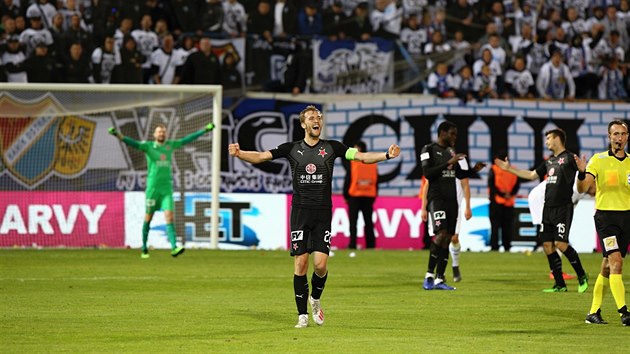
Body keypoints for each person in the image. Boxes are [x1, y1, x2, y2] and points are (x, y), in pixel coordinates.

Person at [228, 105, 400, 328]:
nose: (316, 120)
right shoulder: (291, 149)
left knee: (320, 266)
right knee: (300, 264)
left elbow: (361, 157)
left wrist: (386, 155)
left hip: (322, 212)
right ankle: (302, 316)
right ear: (303, 124)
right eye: (311, 117)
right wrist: (240, 153)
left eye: (318, 117)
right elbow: (262, 156)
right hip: (300, 212)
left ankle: (315, 299)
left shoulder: (332, 148)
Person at [495, 128, 588, 293]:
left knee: (561, 243)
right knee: (547, 245)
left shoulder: (570, 158)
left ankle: (581, 275)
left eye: (549, 139)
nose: (546, 142)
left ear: (557, 139)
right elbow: (531, 175)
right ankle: (559, 284)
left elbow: (581, 186)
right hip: (548, 208)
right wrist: (509, 169)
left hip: (563, 208)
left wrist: (582, 171)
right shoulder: (549, 161)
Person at [108, 122, 215, 258]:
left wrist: (204, 130)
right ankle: (144, 247)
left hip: (166, 190)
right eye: (159, 131)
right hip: (153, 189)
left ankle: (174, 247)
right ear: (154, 134)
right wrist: (118, 135)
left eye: (163, 131)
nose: (161, 133)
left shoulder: (170, 145)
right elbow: (133, 143)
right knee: (148, 218)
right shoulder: (148, 146)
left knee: (169, 217)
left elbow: (187, 139)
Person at [576, 120, 630, 326]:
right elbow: (582, 188)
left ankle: (593, 312)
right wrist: (582, 172)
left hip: (627, 218)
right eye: (615, 134)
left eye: (623, 134)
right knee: (617, 262)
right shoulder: (598, 160)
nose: (619, 138)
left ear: (627, 137)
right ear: (609, 137)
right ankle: (624, 312)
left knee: (607, 265)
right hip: (606, 219)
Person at [421, 121, 485, 291]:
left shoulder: (451, 152)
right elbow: (427, 173)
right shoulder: (428, 150)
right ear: (442, 133)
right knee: (441, 234)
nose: (455, 137)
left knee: (448, 236)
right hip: (437, 199)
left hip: (452, 201)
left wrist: (474, 170)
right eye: (452, 134)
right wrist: (448, 162)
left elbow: (459, 174)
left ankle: (440, 279)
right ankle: (428, 276)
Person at [421, 176, 471, 283]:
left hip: (454, 206)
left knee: (453, 238)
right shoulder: (437, 162)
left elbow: (465, 184)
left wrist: (467, 206)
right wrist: (424, 208)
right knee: (440, 236)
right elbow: (427, 184)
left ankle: (454, 266)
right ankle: (436, 274)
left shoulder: (460, 162)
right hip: (438, 205)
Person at [343, 141, 378, 250]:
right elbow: (376, 180)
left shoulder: (353, 163)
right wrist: (374, 195)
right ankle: (371, 245)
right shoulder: (372, 163)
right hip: (369, 196)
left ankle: (352, 244)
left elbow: (348, 179)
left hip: (355, 196)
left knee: (353, 222)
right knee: (368, 222)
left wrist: (345, 196)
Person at [488, 150, 520, 252]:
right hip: (509, 202)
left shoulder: (494, 169)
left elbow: (491, 185)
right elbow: (517, 185)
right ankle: (507, 246)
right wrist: (509, 194)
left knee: (495, 226)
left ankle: (494, 247)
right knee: (507, 226)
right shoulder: (513, 170)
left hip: (497, 202)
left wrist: (502, 194)